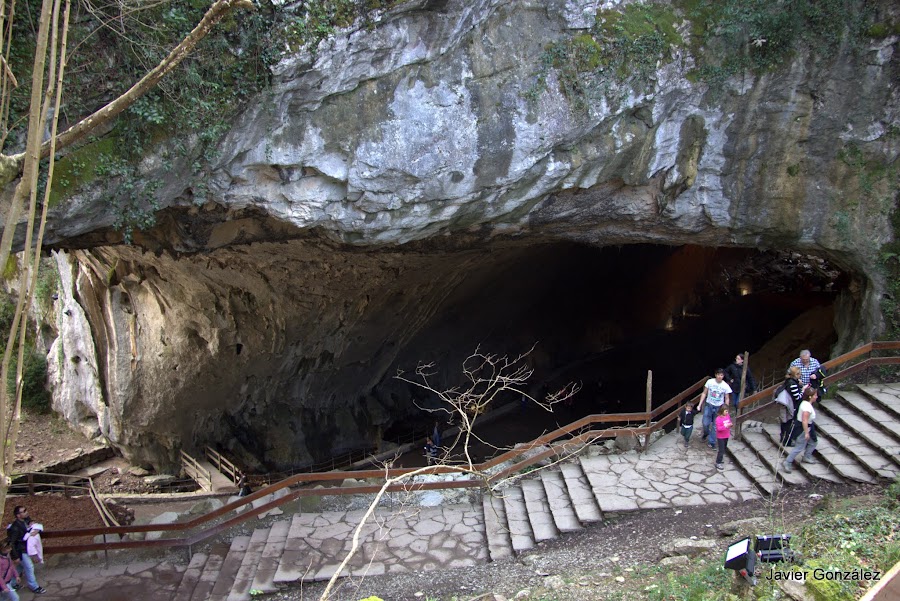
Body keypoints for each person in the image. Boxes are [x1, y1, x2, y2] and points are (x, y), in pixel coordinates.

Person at [7, 507, 44, 594]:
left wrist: (37, 530)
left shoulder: (26, 520)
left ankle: (12, 583)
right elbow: (11, 543)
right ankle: (34, 586)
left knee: (20, 567)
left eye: (26, 510)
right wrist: (15, 556)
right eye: (24, 511)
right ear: (18, 515)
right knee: (29, 567)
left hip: (25, 548)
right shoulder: (15, 527)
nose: (26, 512)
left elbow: (33, 526)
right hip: (20, 551)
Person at [783, 386, 819, 473]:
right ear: (810, 396)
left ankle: (807, 456)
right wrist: (806, 432)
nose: (816, 397)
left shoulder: (806, 403)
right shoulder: (807, 407)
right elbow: (804, 420)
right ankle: (787, 462)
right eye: (815, 395)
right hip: (803, 428)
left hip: (810, 426)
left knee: (813, 441)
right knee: (799, 447)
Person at [697, 369, 733, 449]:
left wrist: (726, 409)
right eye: (718, 375)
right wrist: (699, 404)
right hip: (709, 405)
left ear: (723, 376)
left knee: (715, 426)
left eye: (721, 375)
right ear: (715, 375)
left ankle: (712, 442)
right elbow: (704, 393)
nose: (720, 376)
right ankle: (706, 433)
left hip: (719, 407)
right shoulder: (710, 382)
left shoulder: (725, 386)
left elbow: (727, 398)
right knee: (705, 423)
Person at [783, 366, 804, 445]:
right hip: (793, 406)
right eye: (799, 374)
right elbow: (797, 397)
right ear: (796, 374)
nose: (800, 375)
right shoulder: (792, 384)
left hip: (790, 405)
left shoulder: (790, 381)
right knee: (791, 424)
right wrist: (803, 390)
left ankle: (787, 439)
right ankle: (788, 441)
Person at [714, 405, 733, 470]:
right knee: (721, 450)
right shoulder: (718, 419)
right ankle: (718, 462)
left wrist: (730, 424)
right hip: (720, 437)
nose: (727, 412)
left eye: (727, 411)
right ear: (722, 411)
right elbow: (719, 429)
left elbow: (729, 422)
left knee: (724, 448)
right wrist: (726, 426)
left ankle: (720, 459)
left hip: (726, 435)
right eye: (726, 411)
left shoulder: (727, 416)